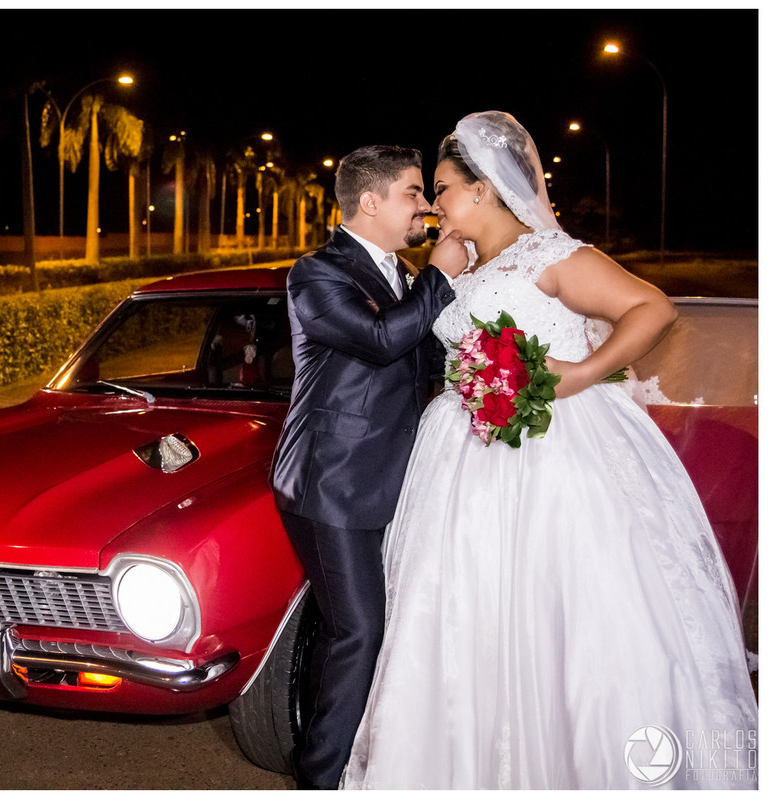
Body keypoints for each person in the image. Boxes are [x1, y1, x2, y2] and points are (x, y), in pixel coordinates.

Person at [339, 111, 758, 789]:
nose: (432, 203)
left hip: (555, 453)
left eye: (440, 188)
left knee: (561, 617)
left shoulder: (552, 254)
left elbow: (651, 307)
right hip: (458, 461)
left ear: (481, 189)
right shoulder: (460, 266)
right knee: (459, 622)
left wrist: (579, 373)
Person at [269, 145, 466, 790]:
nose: (428, 207)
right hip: (334, 482)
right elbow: (382, 340)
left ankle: (352, 759)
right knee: (359, 630)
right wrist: (440, 276)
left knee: (358, 629)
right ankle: (320, 779)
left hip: (397, 480)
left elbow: (421, 367)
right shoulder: (316, 273)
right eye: (415, 193)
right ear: (371, 202)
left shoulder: (403, 274)